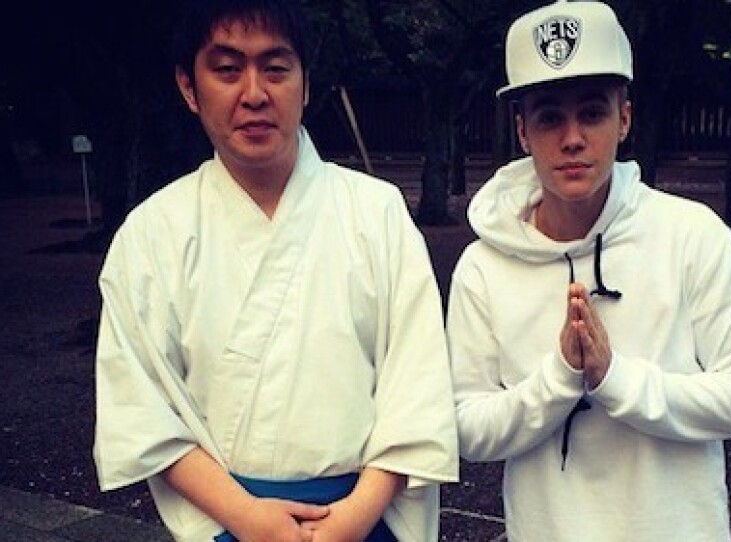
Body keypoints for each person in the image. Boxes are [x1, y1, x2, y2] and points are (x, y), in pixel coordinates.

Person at [92, 1, 458, 540]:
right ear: (189, 87)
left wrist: (354, 517)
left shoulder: (378, 212)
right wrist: (246, 517)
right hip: (226, 522)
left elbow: (417, 381)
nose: (254, 93)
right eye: (227, 69)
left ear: (306, 83)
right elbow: (140, 407)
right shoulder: (151, 235)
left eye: (276, 68)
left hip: (366, 519)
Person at [446, 1, 731, 541]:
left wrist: (615, 378)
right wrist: (559, 379)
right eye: (549, 117)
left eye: (592, 112)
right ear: (522, 130)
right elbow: (467, 427)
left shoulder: (691, 234)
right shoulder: (482, 268)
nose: (572, 137)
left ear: (624, 118)